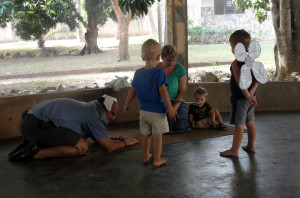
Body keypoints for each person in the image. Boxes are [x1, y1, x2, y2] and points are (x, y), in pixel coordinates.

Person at [8, 95, 138, 162]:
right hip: (36, 125)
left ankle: (31, 143)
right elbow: (108, 147)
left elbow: (98, 137)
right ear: (105, 109)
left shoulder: (92, 106)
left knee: (77, 139)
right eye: (113, 114)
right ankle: (34, 154)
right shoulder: (96, 116)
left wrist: (113, 139)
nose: (113, 118)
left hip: (28, 120)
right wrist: (124, 142)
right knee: (82, 147)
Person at [123, 39, 176, 167]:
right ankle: (157, 159)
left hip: (143, 111)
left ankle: (146, 155)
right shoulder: (159, 73)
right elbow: (163, 92)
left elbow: (132, 90)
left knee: (146, 134)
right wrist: (170, 108)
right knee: (157, 135)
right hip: (157, 112)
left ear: (142, 57)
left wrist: (126, 104)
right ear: (159, 56)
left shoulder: (138, 73)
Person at [220, 29, 259, 157]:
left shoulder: (236, 63)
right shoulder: (250, 60)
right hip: (250, 98)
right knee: (250, 122)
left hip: (240, 99)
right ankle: (251, 146)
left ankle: (234, 150)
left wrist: (247, 96)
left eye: (231, 46)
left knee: (239, 124)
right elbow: (257, 79)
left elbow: (239, 82)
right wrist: (252, 94)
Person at [157, 44, 190, 133]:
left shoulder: (179, 68)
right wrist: (169, 108)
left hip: (176, 101)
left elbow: (182, 92)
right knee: (158, 121)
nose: (171, 63)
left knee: (181, 120)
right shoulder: (156, 69)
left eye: (174, 60)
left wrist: (173, 109)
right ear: (162, 58)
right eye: (168, 60)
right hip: (160, 102)